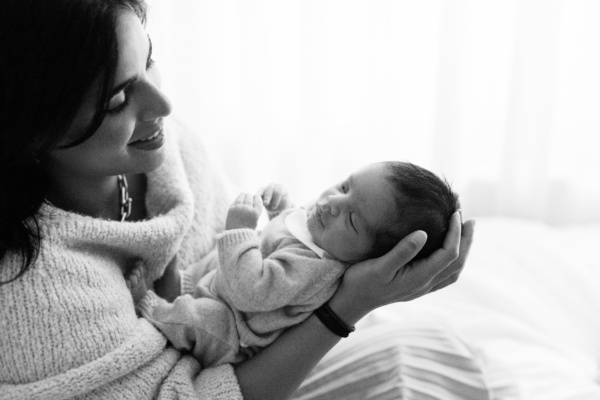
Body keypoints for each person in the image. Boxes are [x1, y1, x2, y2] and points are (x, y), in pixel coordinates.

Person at [0, 1, 479, 399]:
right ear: (30, 127)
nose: (164, 106)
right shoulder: (31, 290)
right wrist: (351, 305)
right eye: (117, 101)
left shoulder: (164, 149)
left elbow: (242, 262)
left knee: (434, 348)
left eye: (148, 60)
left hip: (247, 355)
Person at [129, 161, 460, 368]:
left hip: (235, 330)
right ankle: (180, 285)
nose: (332, 203)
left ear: (372, 258)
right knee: (212, 265)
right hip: (225, 291)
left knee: (202, 317)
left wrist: (239, 230)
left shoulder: (316, 269)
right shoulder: (324, 234)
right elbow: (283, 237)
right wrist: (279, 207)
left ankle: (154, 309)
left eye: (353, 219)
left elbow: (251, 291)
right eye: (345, 186)